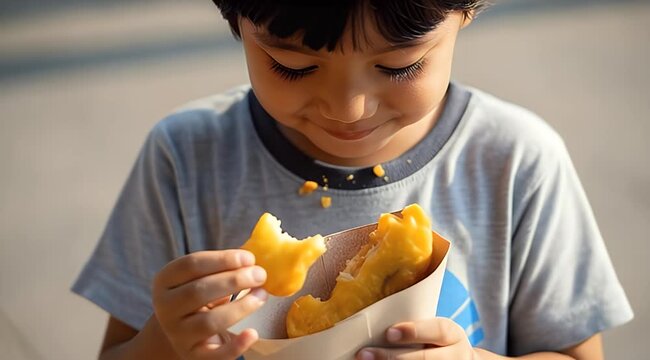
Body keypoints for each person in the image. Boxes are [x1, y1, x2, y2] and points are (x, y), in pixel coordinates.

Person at [72, 1, 634, 359]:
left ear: (466, 12)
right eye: (292, 66)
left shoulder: (516, 162)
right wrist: (167, 344)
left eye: (398, 66)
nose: (348, 108)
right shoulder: (186, 161)